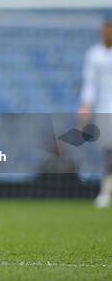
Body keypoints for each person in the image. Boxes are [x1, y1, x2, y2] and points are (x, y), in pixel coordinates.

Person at [78, 16, 112, 208]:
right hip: (104, 109)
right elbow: (89, 84)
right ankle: (105, 191)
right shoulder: (94, 54)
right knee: (108, 152)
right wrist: (85, 106)